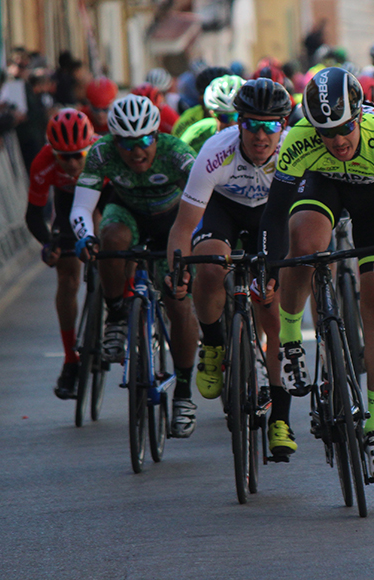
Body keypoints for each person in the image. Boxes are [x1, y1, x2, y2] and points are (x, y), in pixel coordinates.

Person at [259, 67, 374, 482]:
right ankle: (289, 341)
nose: (337, 140)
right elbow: (272, 216)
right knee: (304, 244)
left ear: (358, 116)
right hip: (322, 185)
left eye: (344, 128)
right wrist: (269, 267)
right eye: (326, 132)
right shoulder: (300, 139)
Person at [167, 78, 296, 457]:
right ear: (237, 124)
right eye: (251, 124)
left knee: (272, 314)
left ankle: (281, 418)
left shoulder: (292, 152)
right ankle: (213, 343)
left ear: (283, 127)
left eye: (270, 126)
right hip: (223, 210)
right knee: (208, 266)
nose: (261, 135)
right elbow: (183, 226)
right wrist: (178, 271)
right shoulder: (214, 152)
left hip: (270, 218)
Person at [70, 94, 201, 437]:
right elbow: (81, 206)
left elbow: (206, 203)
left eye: (144, 140)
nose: (136, 151)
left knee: (179, 303)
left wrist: (193, 246)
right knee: (110, 238)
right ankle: (115, 315)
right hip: (126, 213)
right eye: (126, 144)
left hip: (171, 222)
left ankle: (184, 392)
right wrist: (85, 237)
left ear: (156, 135)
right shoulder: (101, 153)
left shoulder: (177, 154)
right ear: (114, 141)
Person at [26, 109, 100, 399]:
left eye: (77, 155)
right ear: (52, 152)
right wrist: (49, 244)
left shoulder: (102, 153)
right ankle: (70, 360)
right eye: (63, 157)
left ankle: (120, 312)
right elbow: (33, 215)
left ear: (89, 148)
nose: (70, 163)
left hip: (102, 197)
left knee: (111, 239)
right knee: (67, 278)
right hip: (68, 204)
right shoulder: (43, 162)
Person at [180, 75, 244, 152]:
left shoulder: (257, 136)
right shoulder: (198, 134)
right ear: (212, 114)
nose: (232, 123)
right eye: (224, 117)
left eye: (237, 116)